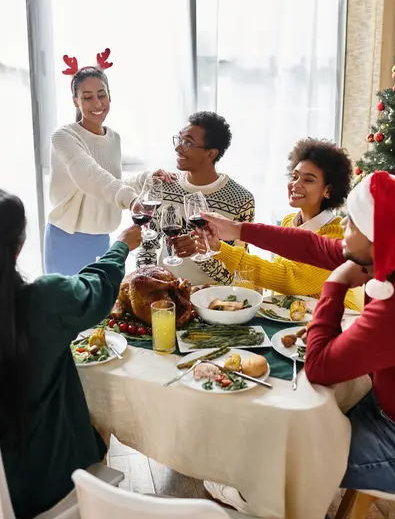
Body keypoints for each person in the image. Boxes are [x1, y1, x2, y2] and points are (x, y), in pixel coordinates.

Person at [201, 171, 395, 511]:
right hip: (386, 405)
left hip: (393, 436)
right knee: (289, 425)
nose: (342, 230)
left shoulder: (393, 306)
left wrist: (335, 284)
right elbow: (312, 245)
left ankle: (259, 498)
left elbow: (320, 367)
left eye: (351, 223)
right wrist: (236, 230)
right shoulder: (388, 252)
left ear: (375, 236)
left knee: (285, 459)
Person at [0, 188, 142, 518]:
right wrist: (120, 247)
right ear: (20, 246)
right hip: (54, 484)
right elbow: (97, 288)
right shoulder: (45, 300)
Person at [195, 138, 360, 310]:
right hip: (295, 318)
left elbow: (289, 280)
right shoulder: (290, 221)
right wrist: (216, 245)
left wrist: (223, 250)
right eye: (295, 177)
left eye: (308, 180)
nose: (296, 184)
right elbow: (279, 270)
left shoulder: (336, 234)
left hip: (339, 320)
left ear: (328, 190)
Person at [45, 49, 145, 275]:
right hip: (65, 239)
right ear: (75, 101)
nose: (97, 103)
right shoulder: (64, 136)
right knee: (66, 308)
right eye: (87, 97)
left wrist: (147, 178)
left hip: (101, 239)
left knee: (103, 308)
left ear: (110, 96)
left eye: (102, 95)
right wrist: (131, 200)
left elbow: (110, 181)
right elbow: (89, 175)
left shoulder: (114, 138)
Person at [135, 111, 255, 286]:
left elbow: (234, 273)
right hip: (168, 295)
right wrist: (148, 280)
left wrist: (201, 253)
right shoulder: (165, 186)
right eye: (179, 139)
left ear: (211, 154)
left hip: (214, 301)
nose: (177, 148)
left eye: (187, 143)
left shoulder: (241, 200)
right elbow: (147, 245)